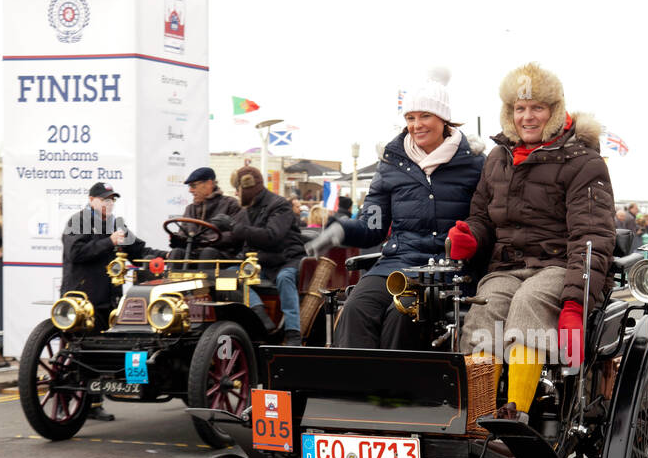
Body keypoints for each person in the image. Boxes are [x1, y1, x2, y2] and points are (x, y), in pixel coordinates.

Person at [450, 60, 616, 421]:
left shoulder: (584, 162)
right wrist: (471, 237)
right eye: (520, 108)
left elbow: (591, 237)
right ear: (509, 112)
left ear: (554, 112)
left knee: (528, 303)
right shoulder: (497, 158)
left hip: (559, 267)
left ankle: (516, 416)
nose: (527, 117)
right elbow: (481, 217)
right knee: (484, 308)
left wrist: (575, 301)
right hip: (506, 267)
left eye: (536, 108)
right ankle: (477, 418)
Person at [310, 69, 484, 349]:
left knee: (402, 314)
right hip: (395, 263)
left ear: (444, 119)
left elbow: (484, 220)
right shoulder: (392, 164)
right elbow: (373, 225)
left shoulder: (474, 165)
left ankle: (392, 391)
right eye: (410, 118)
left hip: (446, 269)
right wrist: (340, 229)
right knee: (355, 308)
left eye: (425, 116)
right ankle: (359, 388)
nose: (417, 125)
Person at [61, 182, 154, 421]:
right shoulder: (78, 221)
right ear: (91, 200)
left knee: (104, 351)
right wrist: (108, 242)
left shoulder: (116, 224)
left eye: (112, 200)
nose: (108, 204)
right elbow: (76, 253)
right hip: (82, 299)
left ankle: (94, 404)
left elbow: (138, 250)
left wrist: (165, 256)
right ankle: (65, 401)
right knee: (75, 353)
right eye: (104, 200)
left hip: (108, 299)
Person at [225, 166, 306, 345]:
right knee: (227, 275)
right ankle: (260, 315)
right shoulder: (246, 210)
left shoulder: (279, 205)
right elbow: (232, 236)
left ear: (246, 188)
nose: (236, 193)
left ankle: (293, 333)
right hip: (260, 263)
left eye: (238, 189)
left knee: (285, 279)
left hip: (285, 259)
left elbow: (272, 235)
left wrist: (233, 227)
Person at [172, 167, 242, 260]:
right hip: (195, 254)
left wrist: (204, 239)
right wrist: (178, 239)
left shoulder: (231, 204)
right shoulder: (190, 209)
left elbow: (235, 235)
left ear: (209, 184)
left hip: (222, 256)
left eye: (193, 186)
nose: (190, 190)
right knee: (177, 253)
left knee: (208, 253)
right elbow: (184, 234)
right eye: (189, 186)